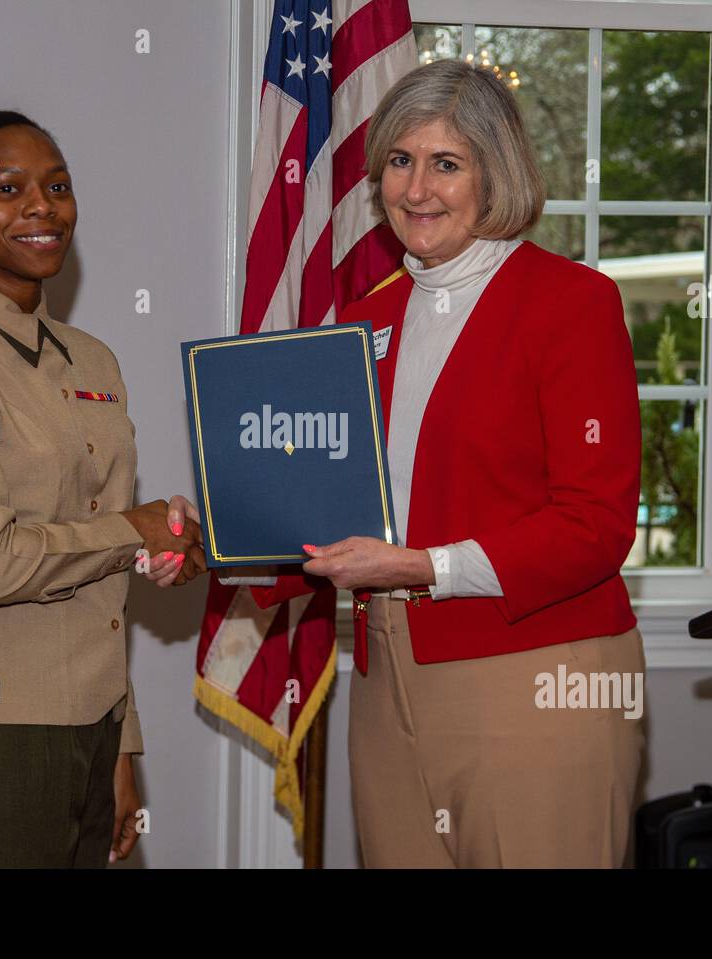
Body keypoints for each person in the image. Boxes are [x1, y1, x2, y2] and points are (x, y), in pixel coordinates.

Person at [230, 60, 646, 867]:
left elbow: (595, 525)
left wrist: (423, 565)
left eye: (446, 163)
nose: (416, 188)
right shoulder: (361, 319)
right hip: (386, 675)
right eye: (399, 160)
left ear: (497, 175)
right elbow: (323, 504)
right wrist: (219, 533)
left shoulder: (571, 304)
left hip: (535, 671)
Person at [0, 110, 204, 868]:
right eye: (10, 188)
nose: (43, 205)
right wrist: (136, 530)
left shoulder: (93, 360)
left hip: (92, 729)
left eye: (57, 185)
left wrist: (121, 749)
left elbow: (103, 582)